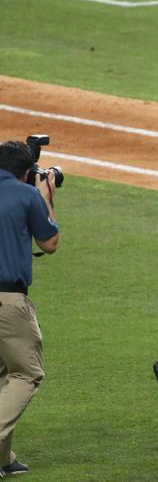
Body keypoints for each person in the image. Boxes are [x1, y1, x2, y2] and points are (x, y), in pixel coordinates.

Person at [0, 141, 60, 477]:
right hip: (8, 301)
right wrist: (46, 196)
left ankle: (3, 459)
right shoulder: (27, 196)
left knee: (4, 375)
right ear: (25, 172)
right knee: (26, 373)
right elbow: (49, 243)